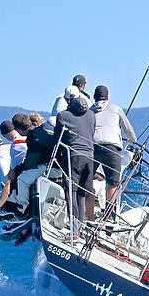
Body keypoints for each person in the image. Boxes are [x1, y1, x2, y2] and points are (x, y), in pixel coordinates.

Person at [0, 113, 55, 220]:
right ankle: (10, 205)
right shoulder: (38, 132)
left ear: (17, 129)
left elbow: (31, 162)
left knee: (22, 179)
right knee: (22, 176)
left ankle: (21, 209)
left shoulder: (32, 137)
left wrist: (16, 170)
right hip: (52, 163)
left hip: (48, 166)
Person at [91, 84, 137, 217]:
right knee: (112, 184)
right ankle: (109, 215)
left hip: (93, 147)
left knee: (87, 181)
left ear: (94, 97)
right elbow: (128, 130)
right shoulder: (115, 109)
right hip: (111, 148)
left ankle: (87, 213)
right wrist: (132, 140)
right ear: (108, 97)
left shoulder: (89, 111)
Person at [53, 95, 96, 236]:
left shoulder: (63, 116)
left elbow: (57, 138)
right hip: (90, 156)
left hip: (74, 156)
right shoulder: (92, 114)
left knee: (71, 191)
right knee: (82, 193)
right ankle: (80, 227)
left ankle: (74, 230)